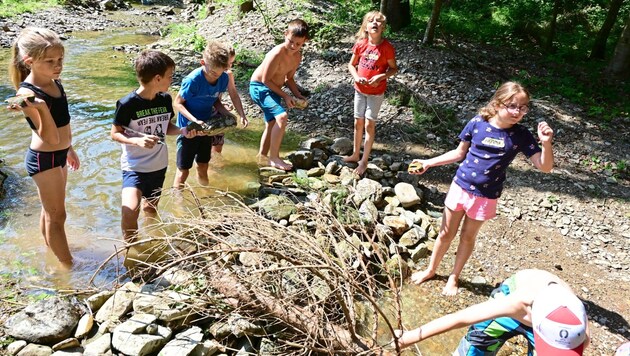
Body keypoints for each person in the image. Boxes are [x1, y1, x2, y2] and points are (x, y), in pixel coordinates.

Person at [410, 82, 554, 295]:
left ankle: (453, 277)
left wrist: (546, 144)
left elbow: (545, 166)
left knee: (468, 237)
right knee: (445, 233)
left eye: (523, 108)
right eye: (512, 106)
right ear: (497, 103)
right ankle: (431, 270)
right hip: (460, 186)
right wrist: (429, 162)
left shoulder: (521, 135)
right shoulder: (477, 123)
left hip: (486, 195)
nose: (517, 112)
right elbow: (459, 153)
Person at [7, 27, 80, 270]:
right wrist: (39, 108)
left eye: (60, 59)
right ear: (29, 61)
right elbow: (48, 137)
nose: (57, 65)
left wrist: (69, 148)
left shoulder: (53, 81)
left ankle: (51, 254)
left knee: (51, 212)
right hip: (44, 158)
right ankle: (68, 269)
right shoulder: (27, 95)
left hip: (59, 154)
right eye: (50, 61)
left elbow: (63, 120)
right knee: (58, 216)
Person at [394, 269, 590, 355]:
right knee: (479, 340)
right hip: (515, 296)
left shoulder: (577, 328)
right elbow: (460, 317)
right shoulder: (517, 303)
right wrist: (408, 338)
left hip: (543, 315)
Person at [111, 50, 194, 242]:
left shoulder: (165, 100)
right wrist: (136, 141)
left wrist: (182, 130)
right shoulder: (127, 104)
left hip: (158, 166)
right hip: (134, 166)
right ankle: (131, 250)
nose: (172, 80)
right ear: (157, 78)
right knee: (130, 211)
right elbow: (115, 133)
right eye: (170, 76)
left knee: (150, 208)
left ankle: (151, 239)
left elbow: (166, 127)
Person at [249, 19, 309, 171]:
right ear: (285, 35)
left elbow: (289, 78)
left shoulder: (297, 56)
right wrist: (286, 96)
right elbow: (265, 80)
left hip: (274, 88)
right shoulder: (276, 53)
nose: (294, 46)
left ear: (304, 42)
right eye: (291, 41)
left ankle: (261, 158)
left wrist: (297, 96)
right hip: (260, 87)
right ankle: (274, 158)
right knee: (281, 117)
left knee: (271, 124)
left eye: (298, 44)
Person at [343, 11, 398, 176]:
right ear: (365, 26)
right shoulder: (361, 44)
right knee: (357, 123)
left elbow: (394, 69)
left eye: (379, 21)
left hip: (376, 93)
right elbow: (351, 65)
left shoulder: (386, 48)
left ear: (383, 27)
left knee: (369, 124)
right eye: (371, 20)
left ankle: (364, 160)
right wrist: (356, 77)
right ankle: (355, 154)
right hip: (359, 90)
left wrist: (382, 76)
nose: (374, 23)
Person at [172, 40, 233, 187]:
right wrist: (195, 121)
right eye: (212, 72)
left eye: (219, 73)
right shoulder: (193, 80)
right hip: (188, 129)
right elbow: (177, 103)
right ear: (202, 63)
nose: (215, 77)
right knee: (183, 171)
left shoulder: (223, 78)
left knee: (203, 166)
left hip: (207, 129)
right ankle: (178, 201)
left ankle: (205, 193)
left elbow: (215, 101)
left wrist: (226, 113)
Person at [210, 44, 249, 167]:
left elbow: (234, 94)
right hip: (206, 113)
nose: (229, 66)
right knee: (204, 148)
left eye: (232, 63)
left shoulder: (227, 74)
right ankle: (208, 168)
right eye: (228, 63)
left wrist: (241, 114)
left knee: (218, 144)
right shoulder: (210, 73)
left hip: (218, 112)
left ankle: (215, 165)